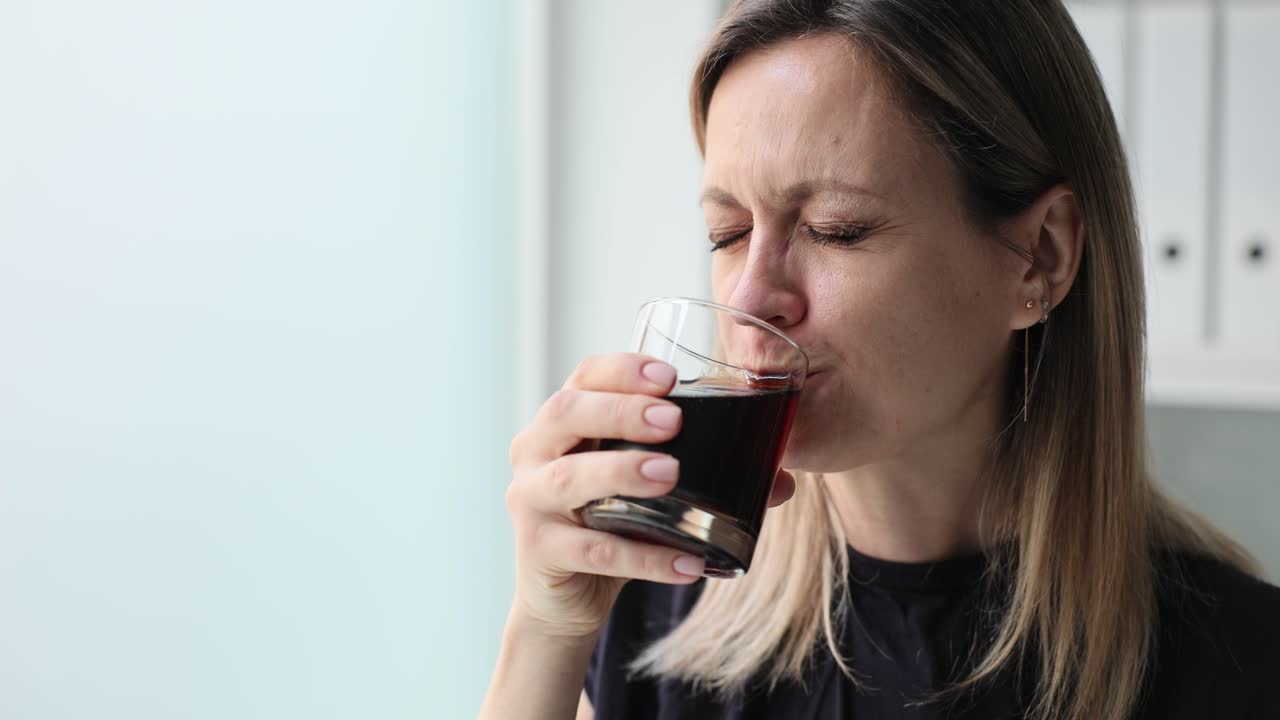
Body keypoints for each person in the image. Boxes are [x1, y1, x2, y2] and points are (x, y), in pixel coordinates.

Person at [480, 1, 1280, 718]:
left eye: (836, 229)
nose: (752, 296)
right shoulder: (661, 604)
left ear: (1040, 257)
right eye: (727, 234)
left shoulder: (1242, 670)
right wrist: (545, 632)